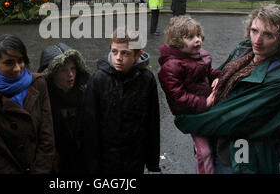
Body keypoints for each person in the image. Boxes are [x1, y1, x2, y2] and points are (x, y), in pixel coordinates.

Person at [175, 4, 280, 174]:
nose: (257, 41)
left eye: (268, 35)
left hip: (241, 157)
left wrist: (185, 119)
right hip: (215, 142)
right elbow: (216, 76)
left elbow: (231, 118)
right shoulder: (244, 50)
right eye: (254, 30)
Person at [80, 27, 161, 174]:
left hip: (135, 158)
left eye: (125, 53)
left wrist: (153, 162)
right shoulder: (98, 80)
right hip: (106, 160)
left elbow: (152, 123)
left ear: (138, 55)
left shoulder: (146, 80)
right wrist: (91, 165)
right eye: (114, 51)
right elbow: (90, 126)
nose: (118, 57)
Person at [0, 34, 55, 174]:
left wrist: (41, 170)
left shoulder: (38, 83)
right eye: (9, 62)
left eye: (20, 60)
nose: (17, 68)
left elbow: (47, 133)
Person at [158, 15, 220, 174]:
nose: (197, 40)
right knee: (204, 151)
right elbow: (177, 97)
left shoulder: (201, 55)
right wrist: (203, 103)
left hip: (206, 109)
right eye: (190, 37)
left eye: (198, 35)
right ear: (177, 41)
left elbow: (209, 72)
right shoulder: (171, 66)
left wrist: (218, 77)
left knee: (213, 144)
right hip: (191, 115)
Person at [38, 43, 90, 174]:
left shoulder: (85, 94)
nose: (70, 74)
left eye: (73, 68)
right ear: (52, 73)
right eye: (63, 70)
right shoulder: (43, 100)